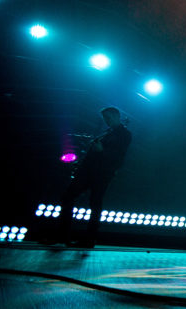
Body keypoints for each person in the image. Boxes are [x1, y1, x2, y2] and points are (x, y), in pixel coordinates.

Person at [49, 106, 132, 248]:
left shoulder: (124, 134)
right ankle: (65, 235)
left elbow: (119, 156)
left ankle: (87, 238)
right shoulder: (108, 132)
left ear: (117, 116)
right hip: (89, 171)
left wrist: (101, 151)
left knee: (94, 203)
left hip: (103, 173)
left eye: (109, 118)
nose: (107, 121)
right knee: (71, 197)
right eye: (105, 118)